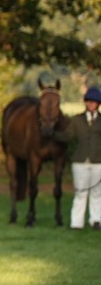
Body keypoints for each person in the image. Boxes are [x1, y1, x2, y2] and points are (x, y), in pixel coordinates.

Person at [57, 86, 101, 229]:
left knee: (97, 192)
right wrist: (52, 133)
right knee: (81, 192)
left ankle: (96, 220)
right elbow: (67, 136)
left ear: (98, 104)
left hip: (98, 161)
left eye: (94, 102)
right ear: (86, 102)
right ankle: (77, 223)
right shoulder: (77, 120)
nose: (92, 104)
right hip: (80, 161)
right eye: (89, 101)